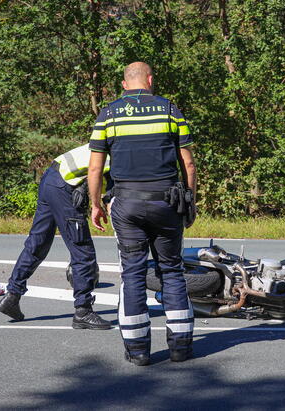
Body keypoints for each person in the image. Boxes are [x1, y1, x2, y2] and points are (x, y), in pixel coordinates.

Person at [88, 62, 197, 367]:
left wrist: (95, 204)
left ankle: (138, 351)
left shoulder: (108, 114)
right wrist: (190, 201)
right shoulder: (169, 110)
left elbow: (95, 167)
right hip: (167, 202)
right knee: (172, 271)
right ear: (150, 80)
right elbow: (188, 164)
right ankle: (180, 347)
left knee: (133, 273)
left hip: (127, 203)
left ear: (124, 85)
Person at [0, 145, 113, 330]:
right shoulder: (121, 150)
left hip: (51, 178)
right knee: (82, 249)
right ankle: (83, 311)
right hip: (63, 186)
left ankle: (12, 296)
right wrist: (100, 204)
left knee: (37, 243)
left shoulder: (109, 137)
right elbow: (100, 174)